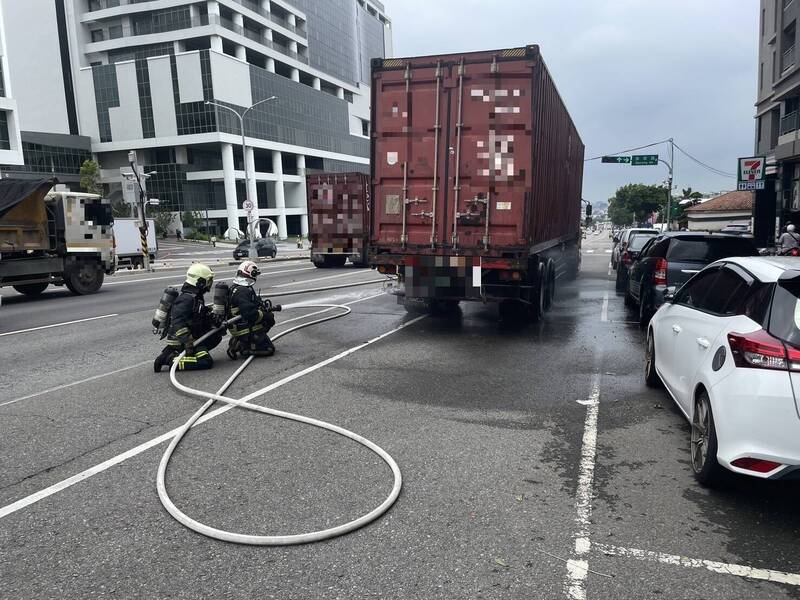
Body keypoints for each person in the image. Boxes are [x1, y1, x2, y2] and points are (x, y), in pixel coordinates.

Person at [154, 263, 223, 372]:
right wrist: (187, 342)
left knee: (217, 334)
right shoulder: (187, 299)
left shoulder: (196, 297)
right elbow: (178, 321)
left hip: (190, 338)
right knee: (205, 361)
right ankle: (171, 360)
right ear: (200, 282)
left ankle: (168, 355)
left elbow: (196, 316)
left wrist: (210, 317)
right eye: (208, 281)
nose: (210, 284)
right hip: (182, 341)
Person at [227, 260, 277, 359]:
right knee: (268, 349)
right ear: (251, 273)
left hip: (238, 326)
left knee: (268, 316)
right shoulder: (242, 291)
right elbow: (249, 314)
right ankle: (245, 346)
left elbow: (251, 304)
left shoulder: (237, 287)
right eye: (255, 274)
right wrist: (266, 315)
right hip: (244, 327)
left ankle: (240, 340)